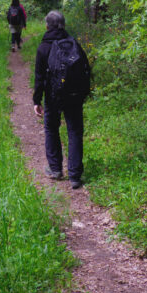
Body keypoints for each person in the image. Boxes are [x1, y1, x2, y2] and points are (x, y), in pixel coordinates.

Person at [32, 10, 91, 189]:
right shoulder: (73, 44)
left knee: (51, 129)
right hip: (74, 95)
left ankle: (55, 169)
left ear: (47, 26)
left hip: (53, 96)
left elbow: (39, 77)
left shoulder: (43, 47)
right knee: (74, 131)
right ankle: (75, 176)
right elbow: (85, 70)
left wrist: (37, 101)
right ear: (63, 25)